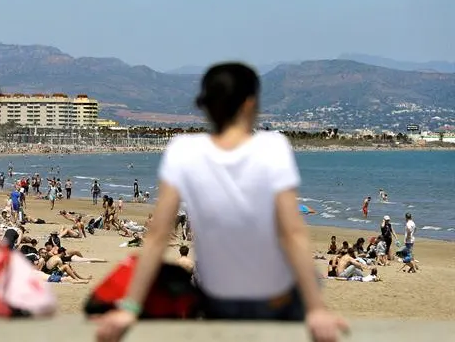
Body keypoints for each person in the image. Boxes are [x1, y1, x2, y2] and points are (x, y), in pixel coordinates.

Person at [94, 63, 347, 342]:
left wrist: (130, 307)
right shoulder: (273, 147)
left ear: (206, 105)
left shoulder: (183, 149)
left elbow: (157, 235)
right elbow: (293, 232)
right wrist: (317, 309)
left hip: (214, 292)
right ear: (250, 104)